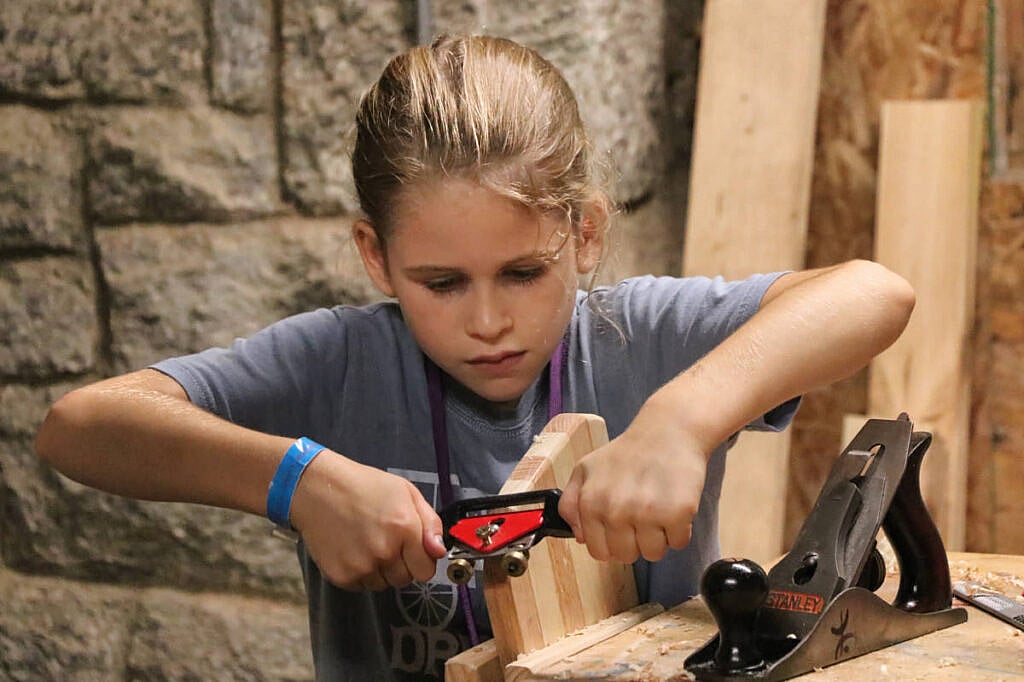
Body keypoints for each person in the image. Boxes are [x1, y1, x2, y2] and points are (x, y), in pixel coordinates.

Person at [35, 34, 915, 681]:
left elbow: (875, 293)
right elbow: (79, 428)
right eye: (441, 283)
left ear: (585, 233)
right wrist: (295, 480)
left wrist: (683, 422)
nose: (488, 321)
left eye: (525, 272)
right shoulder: (336, 362)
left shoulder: (641, 336)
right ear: (376, 257)